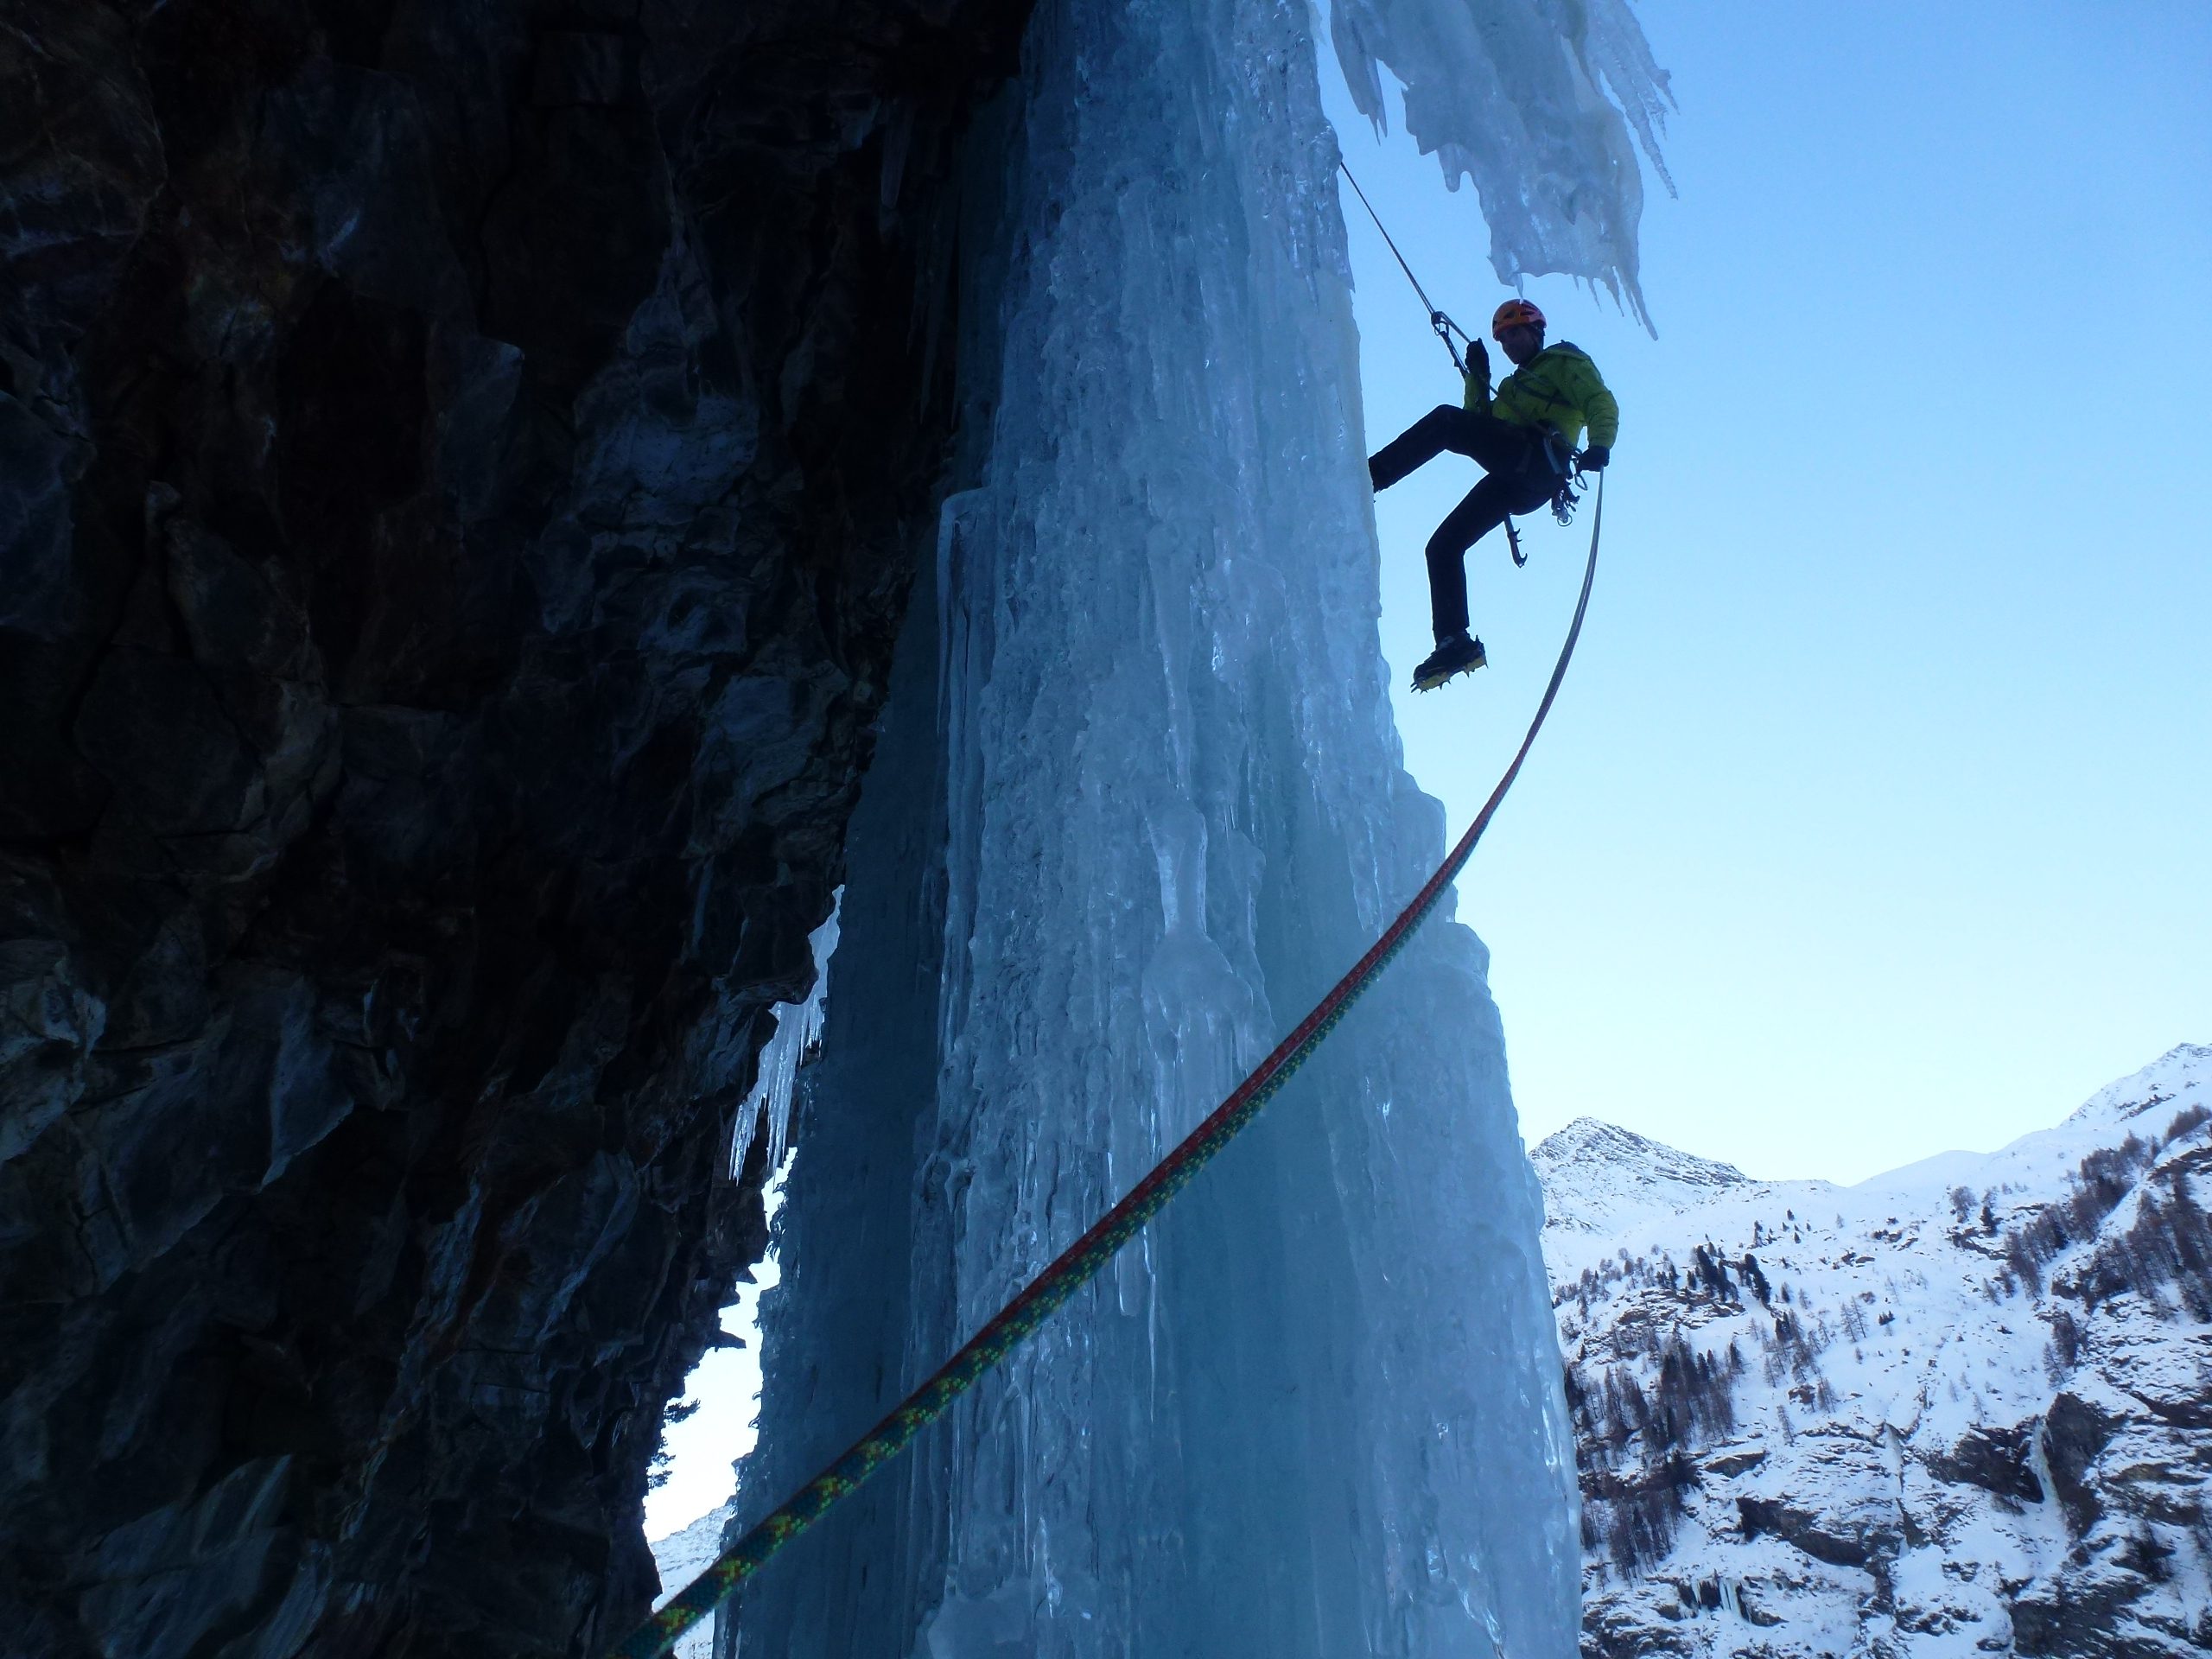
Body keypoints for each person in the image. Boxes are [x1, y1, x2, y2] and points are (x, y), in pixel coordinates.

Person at [1369, 298, 1619, 690]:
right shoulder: (1510, 388)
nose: (1509, 344)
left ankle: (1371, 476)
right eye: (1503, 339)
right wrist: (1477, 374)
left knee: (1445, 421)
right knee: (1443, 546)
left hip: (1537, 461)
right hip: (1518, 477)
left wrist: (1600, 445)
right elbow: (1481, 425)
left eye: (1515, 334)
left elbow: (1598, 400)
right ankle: (1455, 643)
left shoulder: (1563, 362)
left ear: (1536, 332)